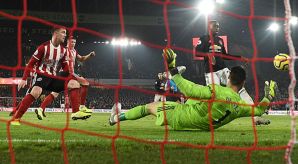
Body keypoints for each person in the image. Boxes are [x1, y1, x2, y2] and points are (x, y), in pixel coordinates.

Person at [108, 51, 278, 130]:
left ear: (228, 77)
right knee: (196, 100)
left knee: (150, 107)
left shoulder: (216, 91)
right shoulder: (240, 106)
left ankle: (115, 118)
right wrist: (268, 96)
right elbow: (259, 109)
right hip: (203, 121)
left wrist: (173, 68)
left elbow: (190, 89)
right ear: (243, 82)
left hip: (184, 118)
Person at [10, 27, 90, 125]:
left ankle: (75, 112)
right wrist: (24, 79)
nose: (65, 35)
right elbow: (31, 63)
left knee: (74, 84)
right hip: (42, 75)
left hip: (54, 77)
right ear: (56, 34)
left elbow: (65, 68)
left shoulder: (63, 51)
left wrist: (72, 77)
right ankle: (16, 118)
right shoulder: (43, 47)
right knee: (36, 92)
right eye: (63, 32)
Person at [195, 20, 269, 125]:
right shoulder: (203, 38)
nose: (218, 28)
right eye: (216, 26)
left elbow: (225, 55)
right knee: (214, 96)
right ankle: (210, 118)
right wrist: (208, 55)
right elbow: (196, 52)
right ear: (209, 27)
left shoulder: (220, 40)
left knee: (241, 90)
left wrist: (240, 57)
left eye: (218, 26)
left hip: (223, 70)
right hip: (211, 72)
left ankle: (256, 118)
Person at [34, 36, 95, 118]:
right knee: (85, 83)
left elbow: (81, 59)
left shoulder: (74, 51)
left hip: (66, 75)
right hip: (65, 73)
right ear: (67, 42)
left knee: (55, 93)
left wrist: (89, 55)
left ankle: (40, 109)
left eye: (74, 42)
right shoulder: (63, 50)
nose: (73, 44)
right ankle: (82, 107)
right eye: (71, 42)